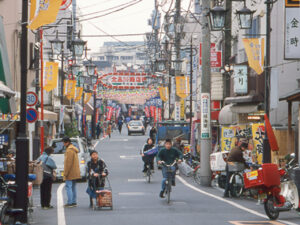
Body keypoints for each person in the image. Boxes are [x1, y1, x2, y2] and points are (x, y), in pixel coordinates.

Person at [63, 136, 81, 208]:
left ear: (67, 142)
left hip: (70, 172)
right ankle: (73, 201)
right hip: (75, 171)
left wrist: (66, 173)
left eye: (63, 143)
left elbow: (68, 163)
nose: (63, 144)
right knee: (73, 187)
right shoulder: (74, 149)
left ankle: (70, 202)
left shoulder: (69, 150)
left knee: (68, 187)